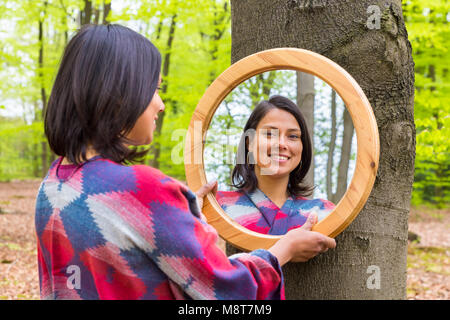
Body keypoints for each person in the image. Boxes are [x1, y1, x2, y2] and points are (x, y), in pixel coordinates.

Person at [35, 24, 336, 300]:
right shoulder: (145, 189)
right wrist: (283, 249)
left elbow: (131, 269)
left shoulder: (52, 186)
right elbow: (227, 291)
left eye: (293, 136)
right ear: (119, 94)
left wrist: (186, 226)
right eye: (155, 89)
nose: (161, 104)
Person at [216, 96, 335, 235]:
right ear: (249, 143)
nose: (281, 144)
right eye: (269, 134)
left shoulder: (322, 212)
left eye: (293, 136)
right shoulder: (218, 206)